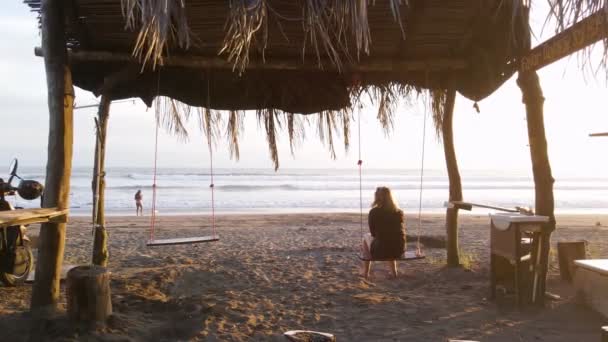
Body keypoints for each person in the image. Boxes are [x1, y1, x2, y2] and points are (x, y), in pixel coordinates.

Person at [361, 186, 406, 279]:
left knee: (366, 237)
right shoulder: (399, 212)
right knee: (391, 238)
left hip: (381, 251)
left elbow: (372, 233)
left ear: (377, 198)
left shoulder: (374, 212)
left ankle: (366, 273)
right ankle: (394, 273)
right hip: (399, 250)